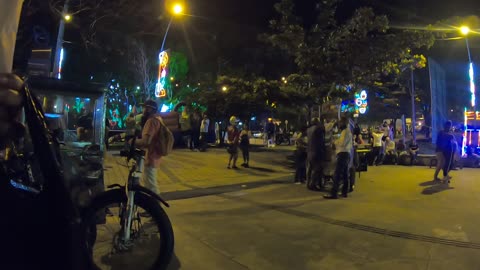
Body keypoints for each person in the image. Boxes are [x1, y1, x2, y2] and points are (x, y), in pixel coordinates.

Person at [129, 100, 163, 195]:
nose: (143, 110)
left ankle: (155, 207)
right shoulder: (158, 119)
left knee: (151, 184)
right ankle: (152, 206)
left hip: (151, 155)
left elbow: (146, 141)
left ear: (150, 109)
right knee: (149, 182)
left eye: (145, 108)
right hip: (155, 155)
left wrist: (132, 142)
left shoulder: (151, 121)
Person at [324, 117, 353, 199]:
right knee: (344, 174)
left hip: (343, 154)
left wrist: (334, 143)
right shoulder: (347, 131)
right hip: (346, 154)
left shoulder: (345, 132)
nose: (339, 124)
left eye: (340, 123)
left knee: (337, 174)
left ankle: (334, 193)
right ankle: (344, 192)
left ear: (344, 123)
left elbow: (342, 143)